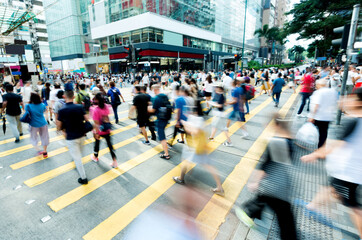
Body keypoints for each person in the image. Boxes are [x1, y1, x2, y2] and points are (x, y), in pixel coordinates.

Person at [301, 88, 362, 239]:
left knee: (353, 207)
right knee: (331, 188)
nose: (347, 100)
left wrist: (315, 154)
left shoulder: (354, 122)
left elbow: (335, 145)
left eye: (351, 98)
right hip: (351, 171)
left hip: (348, 172)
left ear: (358, 102)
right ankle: (312, 206)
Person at [237, 114, 297, 240]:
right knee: (285, 219)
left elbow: (265, 166)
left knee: (283, 217)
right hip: (278, 186)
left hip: (274, 187)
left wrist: (254, 182)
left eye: (268, 125)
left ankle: (248, 212)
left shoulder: (276, 141)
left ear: (276, 125)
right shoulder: (287, 139)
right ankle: (248, 212)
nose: (266, 127)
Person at [172, 107, 224, 196]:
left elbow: (195, 132)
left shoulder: (195, 119)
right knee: (209, 166)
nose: (188, 112)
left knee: (185, 161)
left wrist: (185, 124)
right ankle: (219, 187)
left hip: (194, 148)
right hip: (200, 147)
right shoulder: (200, 119)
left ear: (194, 111)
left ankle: (181, 178)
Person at [57, 90, 89, 185]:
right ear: (74, 96)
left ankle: (83, 178)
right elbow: (86, 119)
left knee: (77, 158)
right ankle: (77, 163)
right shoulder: (79, 107)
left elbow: (59, 125)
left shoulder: (62, 110)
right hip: (82, 134)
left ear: (64, 97)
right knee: (79, 154)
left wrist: (61, 129)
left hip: (71, 137)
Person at [308, 79, 338, 148]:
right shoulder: (333, 91)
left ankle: (313, 144)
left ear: (319, 85)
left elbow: (316, 105)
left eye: (316, 85)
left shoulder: (318, 92)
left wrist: (312, 116)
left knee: (314, 131)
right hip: (328, 116)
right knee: (323, 133)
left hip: (318, 116)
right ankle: (321, 148)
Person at [91, 93, 118, 168]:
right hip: (107, 130)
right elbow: (107, 118)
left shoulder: (95, 110)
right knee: (110, 145)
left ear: (97, 100)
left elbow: (96, 124)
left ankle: (95, 157)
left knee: (97, 144)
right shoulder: (106, 106)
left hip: (99, 131)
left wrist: (96, 133)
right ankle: (114, 161)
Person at [148, 85, 171, 160]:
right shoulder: (164, 96)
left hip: (160, 119)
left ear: (154, 90)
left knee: (162, 137)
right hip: (166, 118)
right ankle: (166, 146)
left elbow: (152, 110)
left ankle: (166, 154)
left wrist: (148, 108)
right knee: (161, 133)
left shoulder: (156, 98)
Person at [26, 93, 49, 157]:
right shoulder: (42, 105)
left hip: (33, 124)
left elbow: (26, 114)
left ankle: (38, 150)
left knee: (33, 138)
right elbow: (46, 111)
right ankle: (45, 152)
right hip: (43, 123)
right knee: (44, 137)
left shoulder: (28, 106)